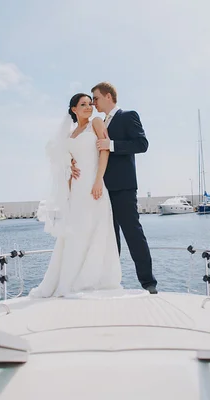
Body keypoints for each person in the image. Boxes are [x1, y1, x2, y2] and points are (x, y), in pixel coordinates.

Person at [29, 93, 122, 298]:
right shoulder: (69, 135)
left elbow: (104, 151)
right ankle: (68, 279)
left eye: (90, 103)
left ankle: (91, 279)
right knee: (76, 232)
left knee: (95, 229)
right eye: (83, 104)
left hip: (94, 184)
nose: (89, 107)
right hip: (76, 189)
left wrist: (99, 180)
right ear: (74, 109)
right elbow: (61, 160)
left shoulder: (96, 123)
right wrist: (68, 165)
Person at [74, 82, 157, 294]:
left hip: (123, 187)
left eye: (96, 98)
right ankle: (109, 282)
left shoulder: (128, 116)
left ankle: (148, 283)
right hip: (101, 190)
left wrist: (111, 145)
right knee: (109, 237)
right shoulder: (98, 123)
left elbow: (142, 144)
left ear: (109, 97)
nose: (93, 103)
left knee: (133, 233)